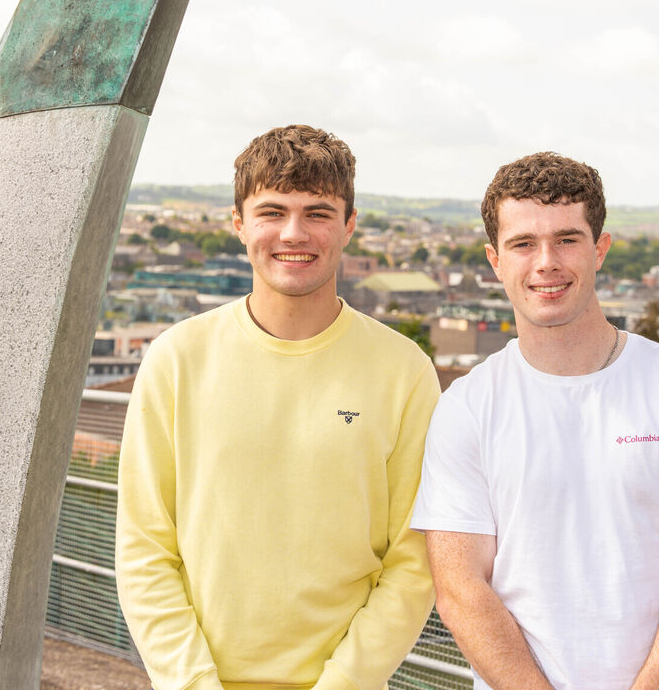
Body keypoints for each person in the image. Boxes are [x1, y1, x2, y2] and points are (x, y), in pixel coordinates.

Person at [116, 125, 440, 690]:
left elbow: (413, 564)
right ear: (238, 223)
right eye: (272, 211)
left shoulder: (405, 370)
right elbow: (145, 549)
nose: (294, 233)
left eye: (318, 213)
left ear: (350, 225)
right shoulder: (176, 359)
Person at [411, 152, 659, 690]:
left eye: (567, 239)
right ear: (495, 260)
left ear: (600, 249)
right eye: (523, 243)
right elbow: (460, 589)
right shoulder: (467, 405)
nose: (546, 262)